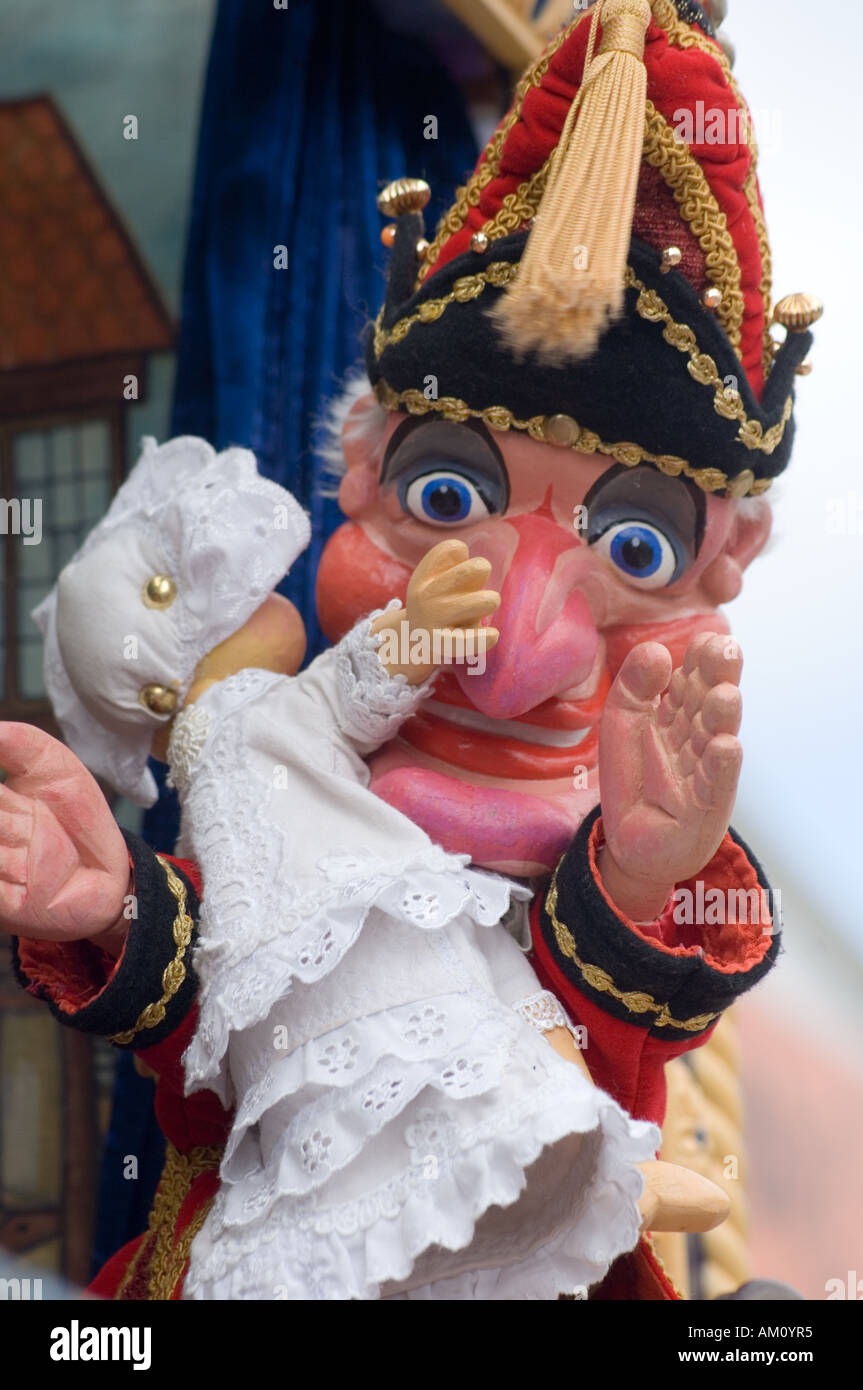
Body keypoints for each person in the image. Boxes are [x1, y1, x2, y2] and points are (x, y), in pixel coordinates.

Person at [2, 0, 818, 1298]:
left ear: (724, 573)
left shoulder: (611, 877)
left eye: (637, 550)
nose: (516, 661)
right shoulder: (295, 755)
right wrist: (114, 905)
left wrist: (646, 871)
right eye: (447, 498)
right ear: (361, 479)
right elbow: (230, 1004)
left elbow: (614, 1037)